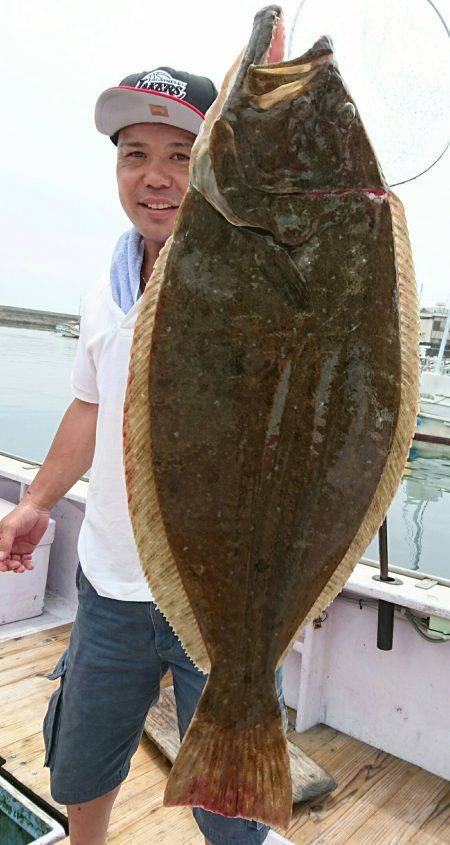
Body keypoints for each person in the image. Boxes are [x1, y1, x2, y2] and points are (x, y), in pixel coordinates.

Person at [0, 67, 288, 845]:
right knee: (84, 761)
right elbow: (90, 405)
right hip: (109, 585)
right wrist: (34, 501)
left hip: (218, 607)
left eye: (180, 151)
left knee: (232, 802)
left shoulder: (257, 282)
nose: (154, 175)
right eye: (134, 153)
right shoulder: (105, 287)